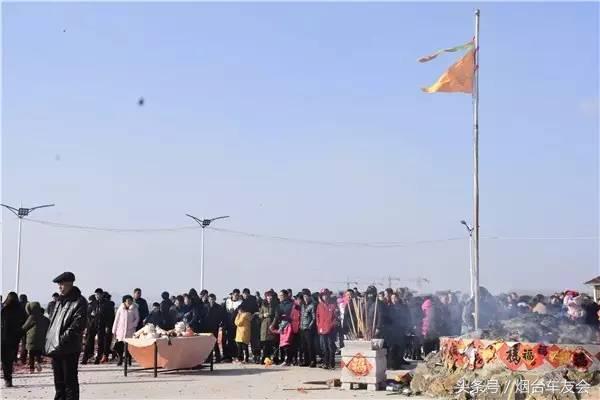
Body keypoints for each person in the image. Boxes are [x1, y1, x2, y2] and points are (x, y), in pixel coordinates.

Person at [45, 272, 87, 400]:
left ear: (69, 283)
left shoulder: (79, 301)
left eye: (61, 284)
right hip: (56, 348)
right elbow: (53, 324)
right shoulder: (59, 301)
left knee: (70, 382)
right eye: (59, 285)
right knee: (59, 382)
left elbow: (77, 326)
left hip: (69, 348)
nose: (60, 287)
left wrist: (61, 340)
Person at [2, 292, 25, 388]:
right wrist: (20, 333)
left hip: (4, 338)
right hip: (14, 339)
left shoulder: (4, 308)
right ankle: (8, 379)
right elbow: (25, 323)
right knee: (8, 361)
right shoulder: (20, 310)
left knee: (5, 360)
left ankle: (7, 379)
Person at [22, 301, 50, 373]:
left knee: (31, 354)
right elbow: (48, 325)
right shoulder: (44, 318)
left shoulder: (32, 317)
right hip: (41, 339)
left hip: (32, 339)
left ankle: (31, 368)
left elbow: (25, 327)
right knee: (38, 352)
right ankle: (38, 362)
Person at [384, 293, 411, 369]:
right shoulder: (389, 307)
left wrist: (408, 327)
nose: (393, 300)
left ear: (398, 298)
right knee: (393, 348)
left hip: (401, 329)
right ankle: (393, 364)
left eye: (395, 298)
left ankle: (399, 362)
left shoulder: (403, 307)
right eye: (392, 298)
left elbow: (407, 317)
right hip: (392, 330)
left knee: (401, 347)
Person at [112, 295, 140, 366]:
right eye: (128, 300)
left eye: (130, 300)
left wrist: (133, 325)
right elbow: (117, 319)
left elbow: (137, 318)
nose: (129, 302)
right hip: (120, 330)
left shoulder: (134, 308)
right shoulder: (121, 308)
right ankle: (120, 358)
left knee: (128, 346)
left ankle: (128, 359)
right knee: (119, 346)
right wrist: (114, 329)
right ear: (124, 301)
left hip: (130, 330)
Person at [316, 288, 339, 370]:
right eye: (323, 295)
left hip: (331, 330)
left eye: (326, 295)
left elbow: (336, 318)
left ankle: (331, 362)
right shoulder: (319, 305)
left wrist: (332, 326)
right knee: (324, 347)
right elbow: (317, 317)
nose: (325, 297)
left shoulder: (333, 305)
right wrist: (319, 327)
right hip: (322, 329)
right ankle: (325, 363)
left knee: (330, 346)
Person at [82, 288, 103, 365]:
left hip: (101, 325)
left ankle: (98, 358)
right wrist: (91, 315)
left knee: (100, 343)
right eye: (96, 294)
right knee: (88, 342)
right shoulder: (91, 304)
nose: (98, 296)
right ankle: (85, 358)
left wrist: (108, 326)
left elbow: (108, 316)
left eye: (99, 294)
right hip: (91, 325)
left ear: (102, 295)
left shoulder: (105, 304)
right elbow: (86, 315)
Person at [273, 290, 294, 366]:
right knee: (281, 344)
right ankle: (282, 359)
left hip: (288, 325)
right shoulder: (279, 305)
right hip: (281, 325)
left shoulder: (291, 304)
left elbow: (292, 315)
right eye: (279, 296)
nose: (280, 297)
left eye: (281, 296)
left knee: (287, 343)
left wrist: (285, 317)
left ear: (285, 296)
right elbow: (277, 316)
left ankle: (288, 360)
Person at [203, 294, 225, 362]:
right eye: (210, 299)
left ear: (215, 299)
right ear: (208, 299)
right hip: (206, 327)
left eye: (213, 299)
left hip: (215, 327)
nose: (211, 300)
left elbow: (222, 317)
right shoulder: (205, 306)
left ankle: (217, 357)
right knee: (208, 343)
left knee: (215, 342)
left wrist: (221, 324)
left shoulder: (218, 307)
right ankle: (209, 358)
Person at [259, 290, 278, 364]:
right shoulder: (263, 304)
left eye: (270, 296)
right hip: (264, 325)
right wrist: (263, 315)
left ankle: (270, 358)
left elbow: (277, 315)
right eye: (267, 296)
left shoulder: (275, 305)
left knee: (271, 343)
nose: (269, 298)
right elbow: (260, 314)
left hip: (272, 325)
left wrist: (273, 324)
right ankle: (265, 358)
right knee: (265, 344)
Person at [223, 289, 243, 362]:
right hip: (227, 324)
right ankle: (226, 356)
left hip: (235, 325)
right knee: (226, 340)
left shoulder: (240, 303)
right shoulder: (227, 301)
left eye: (237, 295)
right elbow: (223, 312)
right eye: (234, 295)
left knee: (234, 341)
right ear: (232, 294)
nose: (236, 296)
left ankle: (234, 355)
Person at [300, 291, 316, 367]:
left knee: (310, 346)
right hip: (302, 328)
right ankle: (306, 361)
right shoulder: (303, 306)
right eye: (304, 297)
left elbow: (314, 318)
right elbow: (302, 317)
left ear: (309, 297)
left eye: (306, 297)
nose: (305, 298)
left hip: (309, 329)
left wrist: (310, 326)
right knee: (304, 346)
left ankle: (313, 361)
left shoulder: (312, 305)